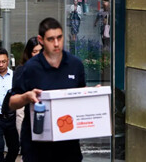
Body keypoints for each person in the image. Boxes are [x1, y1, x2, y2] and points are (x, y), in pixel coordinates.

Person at [6, 18, 86, 162]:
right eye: (51, 39)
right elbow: (12, 102)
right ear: (41, 40)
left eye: (59, 38)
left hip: (68, 144)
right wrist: (27, 97)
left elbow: (81, 96)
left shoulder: (75, 65)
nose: (56, 43)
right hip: (37, 147)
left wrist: (94, 96)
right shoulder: (30, 68)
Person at [14, 37, 42, 153]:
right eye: (34, 51)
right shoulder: (23, 70)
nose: (37, 55)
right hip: (27, 113)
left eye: (40, 51)